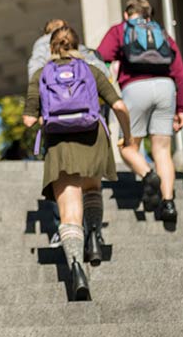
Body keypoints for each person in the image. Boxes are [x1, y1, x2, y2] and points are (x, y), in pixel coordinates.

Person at [23, 26, 133, 301]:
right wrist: (127, 137)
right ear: (78, 45)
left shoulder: (41, 74)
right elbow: (119, 106)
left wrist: (44, 119)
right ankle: (94, 235)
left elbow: (28, 119)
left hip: (60, 146)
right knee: (92, 189)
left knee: (70, 212)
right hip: (92, 138)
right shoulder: (91, 70)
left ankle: (76, 266)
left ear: (50, 47)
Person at [97, 0, 183, 223]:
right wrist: (181, 107)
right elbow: (179, 71)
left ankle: (148, 175)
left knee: (128, 146)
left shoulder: (120, 29)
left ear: (127, 14)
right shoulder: (162, 33)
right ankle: (168, 203)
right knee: (162, 150)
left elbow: (101, 57)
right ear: (149, 15)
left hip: (134, 88)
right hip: (166, 88)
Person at [27, 17, 109, 82]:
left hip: (54, 97)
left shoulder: (40, 50)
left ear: (45, 33)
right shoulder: (81, 49)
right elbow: (102, 72)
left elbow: (34, 75)